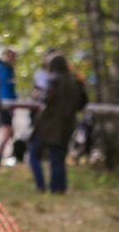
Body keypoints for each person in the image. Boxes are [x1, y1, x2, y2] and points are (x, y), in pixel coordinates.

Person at [30, 53, 87, 194]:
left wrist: (40, 95)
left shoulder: (54, 81)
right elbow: (81, 103)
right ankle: (59, 188)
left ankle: (43, 186)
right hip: (67, 125)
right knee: (58, 158)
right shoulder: (73, 82)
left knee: (35, 155)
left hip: (50, 126)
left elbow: (47, 99)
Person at [0, 47, 18, 165]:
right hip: (5, 106)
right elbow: (4, 90)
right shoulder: (2, 70)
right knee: (7, 133)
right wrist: (9, 107)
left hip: (9, 105)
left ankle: (5, 155)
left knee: (9, 133)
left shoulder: (9, 69)